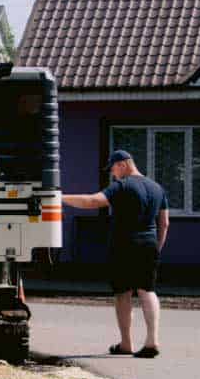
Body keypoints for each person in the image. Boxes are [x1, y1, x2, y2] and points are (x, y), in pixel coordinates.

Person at [62, 148, 169, 357]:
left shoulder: (122, 186)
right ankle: (152, 341)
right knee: (148, 290)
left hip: (124, 245)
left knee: (123, 294)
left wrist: (61, 197)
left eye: (113, 169)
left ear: (123, 164)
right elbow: (164, 223)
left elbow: (92, 201)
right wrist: (157, 248)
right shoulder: (157, 188)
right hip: (149, 243)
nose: (112, 174)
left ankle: (126, 344)